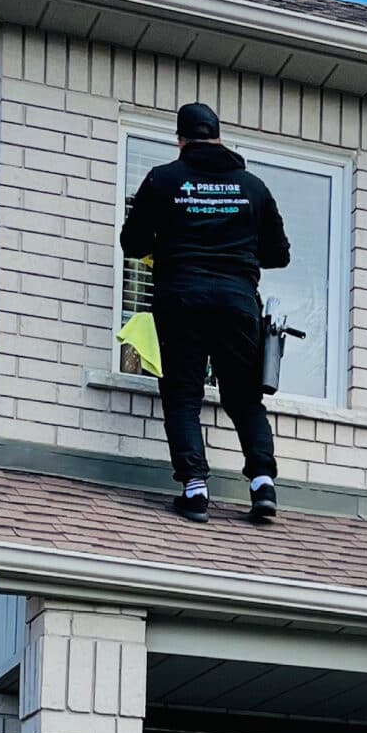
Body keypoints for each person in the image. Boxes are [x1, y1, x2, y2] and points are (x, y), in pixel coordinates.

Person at [119, 103, 291, 524]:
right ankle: (262, 484)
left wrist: (170, 240)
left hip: (180, 301)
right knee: (244, 398)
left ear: (180, 140)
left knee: (182, 396)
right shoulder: (253, 187)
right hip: (237, 304)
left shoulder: (163, 180)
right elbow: (278, 254)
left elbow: (132, 243)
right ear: (218, 135)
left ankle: (195, 490)